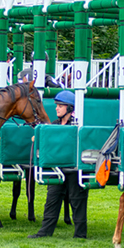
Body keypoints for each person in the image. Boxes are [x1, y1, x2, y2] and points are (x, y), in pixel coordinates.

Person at [28, 90, 88, 239]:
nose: (56, 108)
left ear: (69, 108)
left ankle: (80, 234)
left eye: (60, 106)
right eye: (56, 105)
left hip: (74, 170)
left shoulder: (77, 125)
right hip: (57, 169)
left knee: (77, 201)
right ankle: (44, 232)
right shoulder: (53, 125)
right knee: (51, 200)